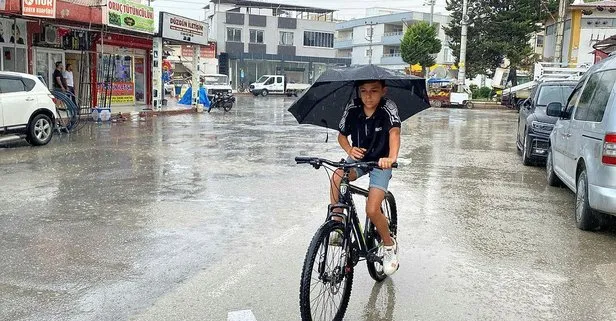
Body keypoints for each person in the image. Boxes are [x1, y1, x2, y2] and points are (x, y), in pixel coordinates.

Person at [333, 79, 401, 276]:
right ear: (358, 92)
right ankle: (337, 223)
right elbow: (342, 135)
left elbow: (394, 133)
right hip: (359, 158)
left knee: (372, 209)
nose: (368, 96)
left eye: (374, 91)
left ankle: (388, 245)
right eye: (363, 91)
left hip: (381, 162)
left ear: (383, 91)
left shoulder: (388, 107)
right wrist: (349, 149)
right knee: (337, 175)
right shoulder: (353, 106)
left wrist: (391, 158)